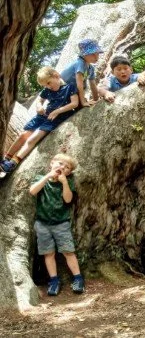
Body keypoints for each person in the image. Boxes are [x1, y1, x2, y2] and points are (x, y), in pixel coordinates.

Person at [1, 67, 79, 175]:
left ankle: (13, 162)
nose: (48, 87)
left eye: (48, 83)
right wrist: (39, 106)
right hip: (44, 115)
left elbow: (74, 103)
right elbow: (40, 100)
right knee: (23, 135)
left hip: (55, 118)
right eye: (45, 85)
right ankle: (5, 159)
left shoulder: (69, 87)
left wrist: (57, 111)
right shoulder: (47, 90)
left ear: (56, 75)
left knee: (32, 139)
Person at [28, 154, 84, 296]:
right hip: (42, 224)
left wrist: (64, 183)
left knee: (68, 251)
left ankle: (78, 279)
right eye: (60, 163)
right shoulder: (41, 179)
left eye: (67, 167)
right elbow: (33, 191)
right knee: (48, 253)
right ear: (52, 163)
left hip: (61, 224)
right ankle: (54, 281)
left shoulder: (68, 182)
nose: (62, 167)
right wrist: (48, 176)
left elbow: (68, 199)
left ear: (69, 173)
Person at [60, 38, 102, 107]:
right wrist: (83, 102)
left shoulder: (91, 68)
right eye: (92, 54)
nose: (96, 57)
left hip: (73, 91)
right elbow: (79, 84)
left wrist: (96, 100)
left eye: (97, 54)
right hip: (63, 90)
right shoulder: (80, 63)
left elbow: (93, 85)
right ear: (84, 55)